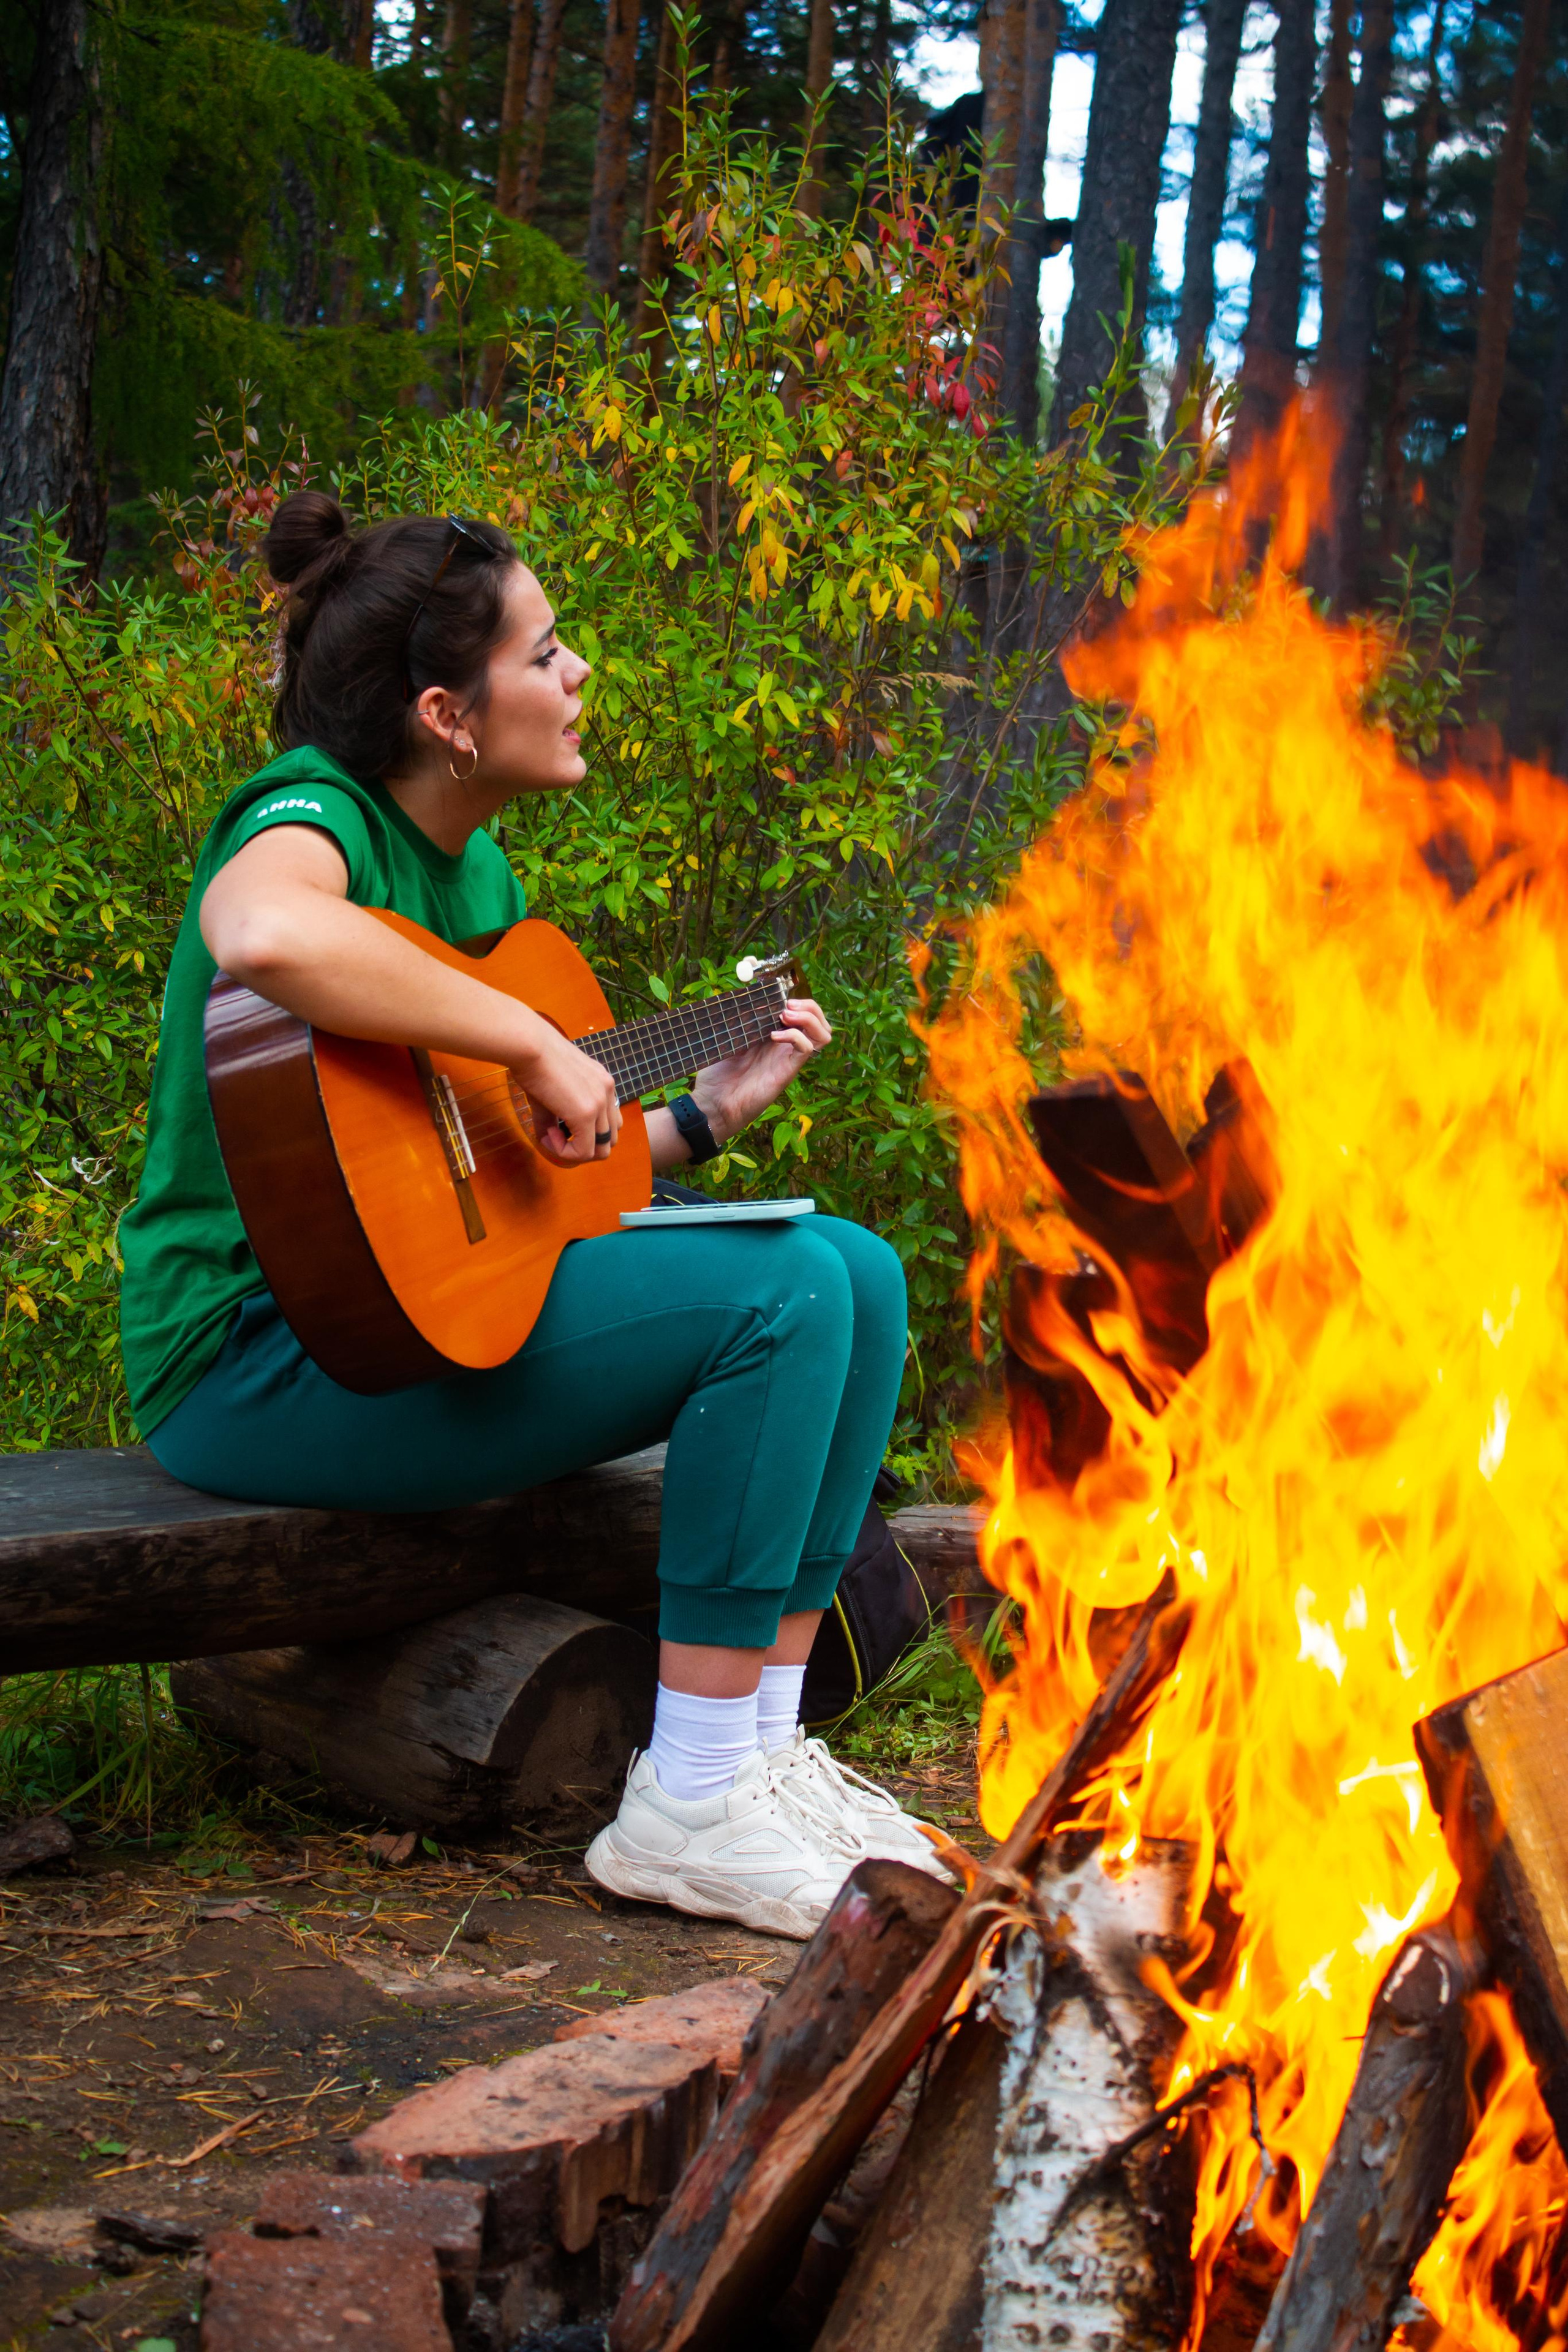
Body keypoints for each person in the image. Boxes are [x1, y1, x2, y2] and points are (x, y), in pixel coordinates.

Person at [118, 494, 941, 1940]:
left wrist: (700, 1121)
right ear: (445, 714)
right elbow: (261, 930)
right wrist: (528, 1039)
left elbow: (498, 1195)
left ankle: (754, 1753)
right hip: (258, 1362)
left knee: (857, 1274)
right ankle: (686, 1800)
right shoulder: (312, 812)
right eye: (545, 653)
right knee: (787, 1293)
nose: (578, 675)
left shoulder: (477, 873)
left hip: (405, 1325)